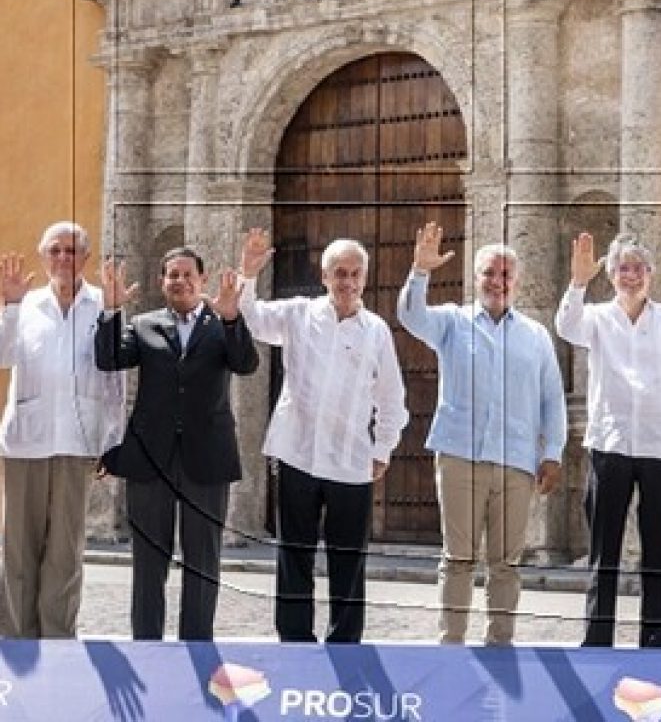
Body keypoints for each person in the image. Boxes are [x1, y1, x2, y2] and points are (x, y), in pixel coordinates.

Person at [397, 222, 567, 645]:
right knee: (458, 558)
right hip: (460, 456)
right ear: (476, 278)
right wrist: (420, 271)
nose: (497, 281)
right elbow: (411, 317)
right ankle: (451, 645)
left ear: (517, 282)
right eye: (489, 273)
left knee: (506, 564)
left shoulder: (536, 336)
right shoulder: (452, 322)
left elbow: (551, 398)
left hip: (516, 462)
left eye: (505, 274)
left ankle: (500, 644)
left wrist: (553, 452)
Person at [237, 227, 409, 643]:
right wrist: (248, 274)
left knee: (348, 558)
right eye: (339, 273)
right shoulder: (298, 314)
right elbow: (253, 318)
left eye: (355, 273)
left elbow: (391, 396)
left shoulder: (376, 331)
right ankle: (295, 639)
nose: (347, 282)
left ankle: (344, 642)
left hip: (351, 459)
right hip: (297, 452)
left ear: (365, 278)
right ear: (325, 276)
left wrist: (383, 449)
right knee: (293, 553)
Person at [94, 246, 259, 641]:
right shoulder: (144, 325)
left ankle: (196, 646)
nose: (180, 281)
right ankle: (147, 644)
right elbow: (109, 359)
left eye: (188, 275)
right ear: (161, 282)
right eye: (173, 275)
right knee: (149, 560)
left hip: (208, 457)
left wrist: (232, 318)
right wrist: (112, 312)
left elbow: (246, 363)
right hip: (151, 459)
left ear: (202, 280)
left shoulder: (222, 324)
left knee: (203, 560)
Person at [555, 232, 661, 648]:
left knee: (657, 553)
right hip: (611, 446)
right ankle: (597, 639)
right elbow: (566, 326)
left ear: (651, 275)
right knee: (604, 551)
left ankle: (655, 643)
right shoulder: (596, 318)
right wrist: (577, 282)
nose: (632, 275)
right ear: (611, 275)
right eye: (624, 268)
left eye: (639, 268)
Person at [0, 223, 124, 638]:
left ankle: (57, 638)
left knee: (65, 551)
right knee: (18, 548)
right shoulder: (25, 304)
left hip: (77, 442)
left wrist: (113, 440)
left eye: (71, 251)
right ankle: (16, 640)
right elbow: (3, 356)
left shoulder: (103, 304)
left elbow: (114, 380)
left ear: (85, 258)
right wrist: (9, 307)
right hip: (25, 441)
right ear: (43, 256)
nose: (62, 258)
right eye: (54, 250)